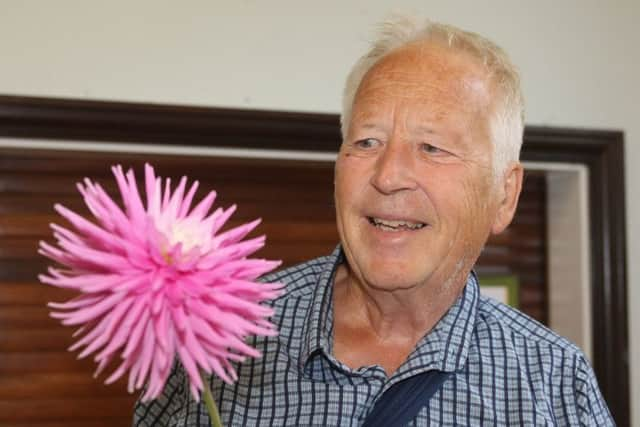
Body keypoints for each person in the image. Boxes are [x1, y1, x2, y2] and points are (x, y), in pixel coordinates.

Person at [133, 16, 614, 426]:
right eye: (366, 142)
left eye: (432, 147)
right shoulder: (224, 338)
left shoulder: (554, 383)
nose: (388, 176)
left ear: (504, 195)